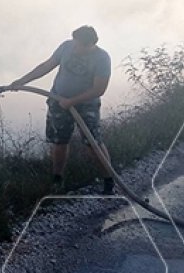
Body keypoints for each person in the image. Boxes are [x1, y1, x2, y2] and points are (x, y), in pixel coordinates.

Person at [8, 25, 115, 194]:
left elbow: (99, 89)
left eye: (78, 45)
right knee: (59, 141)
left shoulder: (102, 58)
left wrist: (72, 101)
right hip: (58, 100)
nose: (75, 47)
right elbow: (46, 66)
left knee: (93, 142)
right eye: (74, 42)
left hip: (86, 105)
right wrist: (22, 81)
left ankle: (108, 179)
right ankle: (57, 178)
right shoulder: (66, 46)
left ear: (90, 45)